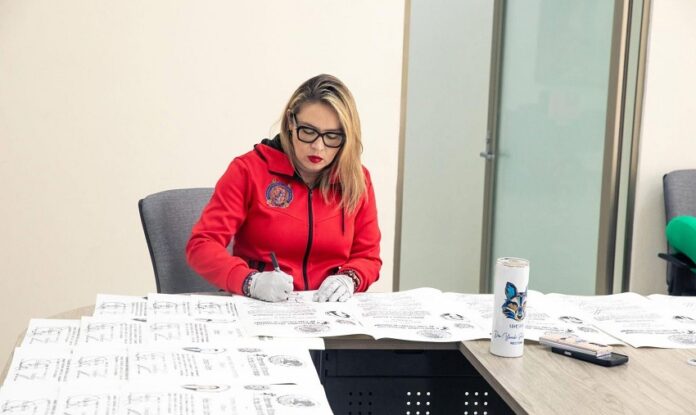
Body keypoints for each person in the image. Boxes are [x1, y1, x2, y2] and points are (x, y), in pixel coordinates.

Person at [186, 74, 382, 302]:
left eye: (332, 136)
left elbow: (368, 256)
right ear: (291, 121)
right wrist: (250, 281)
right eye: (308, 131)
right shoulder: (248, 170)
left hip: (325, 310)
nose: (318, 147)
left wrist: (350, 278)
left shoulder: (357, 179)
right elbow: (201, 246)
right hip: (259, 305)